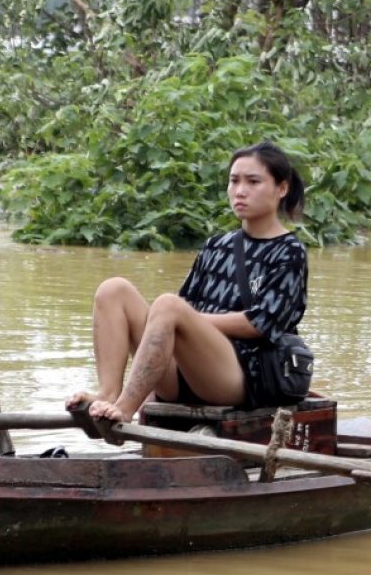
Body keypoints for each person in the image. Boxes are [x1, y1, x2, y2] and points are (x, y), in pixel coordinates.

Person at [66, 141, 309, 422]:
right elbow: (181, 312)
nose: (240, 191)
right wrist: (180, 319)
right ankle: (108, 394)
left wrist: (190, 319)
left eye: (253, 181)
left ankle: (123, 410)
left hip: (241, 376)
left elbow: (260, 324)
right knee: (113, 290)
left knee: (168, 306)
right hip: (187, 371)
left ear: (282, 188)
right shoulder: (216, 246)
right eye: (234, 181)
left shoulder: (289, 251)